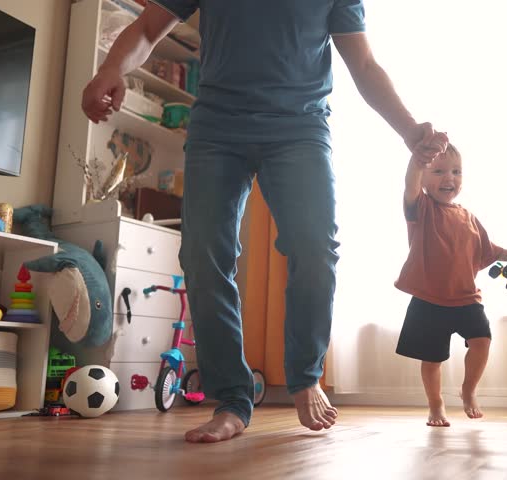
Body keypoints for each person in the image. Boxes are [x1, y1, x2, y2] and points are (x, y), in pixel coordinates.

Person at [81, 0, 446, 443]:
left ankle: (305, 377)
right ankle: (233, 400)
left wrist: (409, 130)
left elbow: (364, 64)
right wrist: (111, 69)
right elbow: (146, 29)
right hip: (218, 127)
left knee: (315, 247)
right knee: (203, 257)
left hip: (300, 127)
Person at [394, 141, 507, 427]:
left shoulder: (469, 217)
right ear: (424, 179)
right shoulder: (421, 209)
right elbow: (409, 186)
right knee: (432, 359)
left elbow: (489, 249)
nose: (449, 178)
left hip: (466, 297)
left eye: (456, 171)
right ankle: (436, 404)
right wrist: (417, 159)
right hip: (429, 299)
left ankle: (468, 390)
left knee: (482, 340)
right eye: (438, 171)